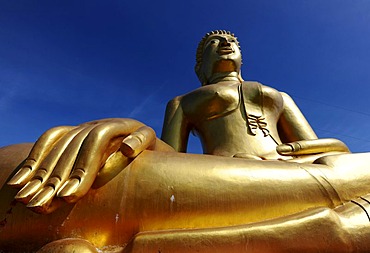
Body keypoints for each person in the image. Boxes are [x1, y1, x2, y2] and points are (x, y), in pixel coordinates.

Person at [0, 30, 369, 252]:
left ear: (241, 56)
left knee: (350, 174)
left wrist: (291, 152)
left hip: (300, 167)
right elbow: (171, 157)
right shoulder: (183, 101)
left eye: (230, 41)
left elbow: (331, 147)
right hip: (219, 174)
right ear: (200, 67)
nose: (224, 43)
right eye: (213, 44)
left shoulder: (278, 95)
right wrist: (133, 133)